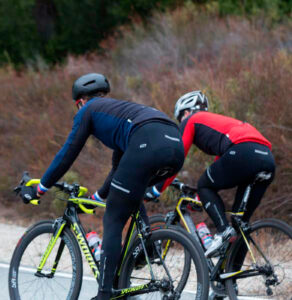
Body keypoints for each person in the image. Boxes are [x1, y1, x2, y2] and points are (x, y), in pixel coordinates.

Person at [20, 73, 185, 299]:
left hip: (148, 142)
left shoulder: (88, 110)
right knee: (129, 193)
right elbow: (119, 170)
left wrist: (41, 188)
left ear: (80, 102)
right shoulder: (120, 114)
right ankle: (146, 251)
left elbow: (67, 153)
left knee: (113, 218)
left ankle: (105, 293)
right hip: (175, 146)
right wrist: (97, 197)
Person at [146, 90, 276, 258]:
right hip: (267, 158)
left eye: (180, 120)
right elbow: (220, 165)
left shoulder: (192, 119)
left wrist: (156, 189)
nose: (181, 124)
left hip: (243, 152)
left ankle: (223, 231)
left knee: (204, 185)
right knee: (240, 223)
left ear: (186, 112)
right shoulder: (220, 123)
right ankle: (231, 278)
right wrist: (202, 199)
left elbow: (177, 158)